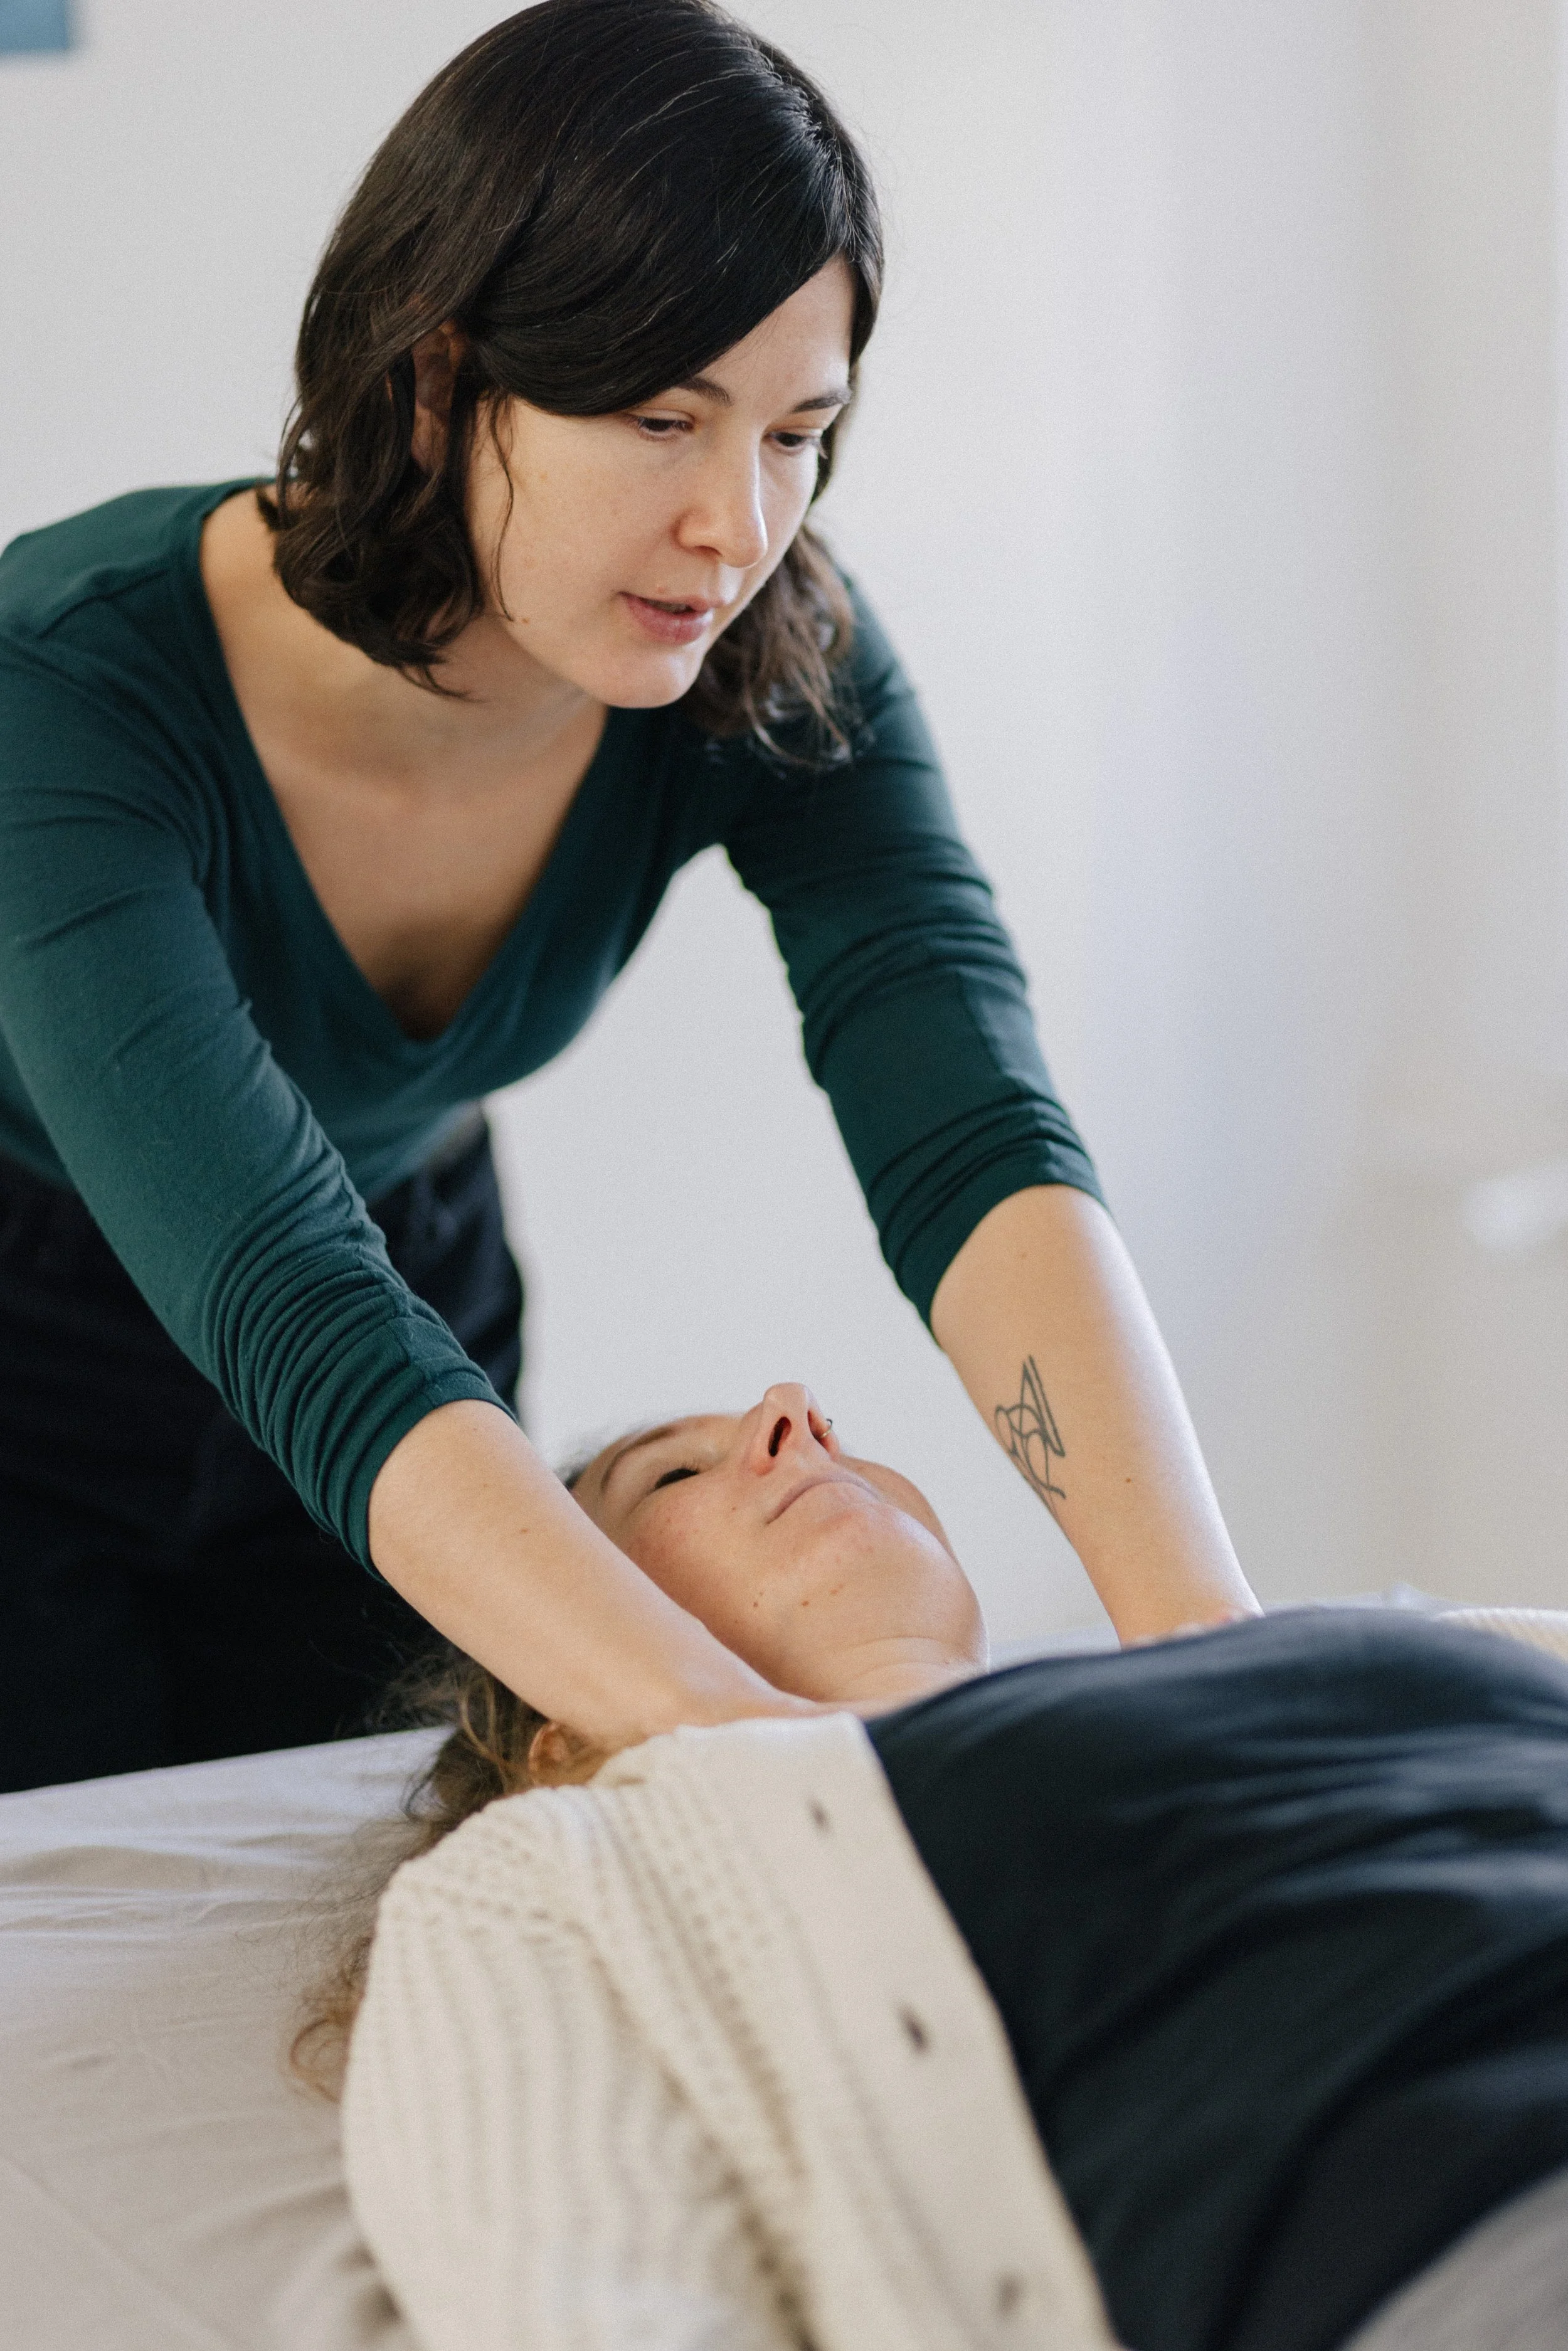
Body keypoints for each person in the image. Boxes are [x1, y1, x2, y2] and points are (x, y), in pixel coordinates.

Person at [0, 0, 1256, 1797]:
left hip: (405, 1289)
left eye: (793, 431)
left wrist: (1203, 1633)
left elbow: (963, 1115)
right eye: (663, 418)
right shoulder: (66, 694)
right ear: (434, 383)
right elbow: (276, 1283)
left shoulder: (768, 648)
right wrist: (765, 1759)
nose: (733, 530)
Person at [314, 1384, 1568, 2351]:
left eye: (822, 1432)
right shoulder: (556, 1866)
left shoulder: (1378, 1638)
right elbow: (596, 2305)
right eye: (676, 1472)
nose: (792, 1413)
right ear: (563, 1731)